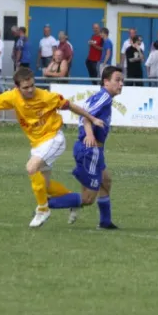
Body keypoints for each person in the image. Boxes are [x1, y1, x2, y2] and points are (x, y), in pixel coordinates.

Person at [0, 68, 105, 227]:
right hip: (38, 144)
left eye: (32, 85)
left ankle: (43, 210)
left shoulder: (46, 97)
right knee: (45, 186)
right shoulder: (13, 96)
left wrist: (92, 118)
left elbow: (71, 106)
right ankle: (73, 200)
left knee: (31, 167)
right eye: (25, 87)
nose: (30, 90)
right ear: (17, 87)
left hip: (54, 138)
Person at [46, 66, 123, 230]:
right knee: (88, 199)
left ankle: (105, 222)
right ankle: (45, 204)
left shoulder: (101, 97)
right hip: (90, 149)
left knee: (106, 181)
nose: (121, 84)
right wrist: (89, 134)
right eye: (117, 80)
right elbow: (86, 116)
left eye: (122, 80)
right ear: (106, 82)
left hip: (94, 151)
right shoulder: (104, 97)